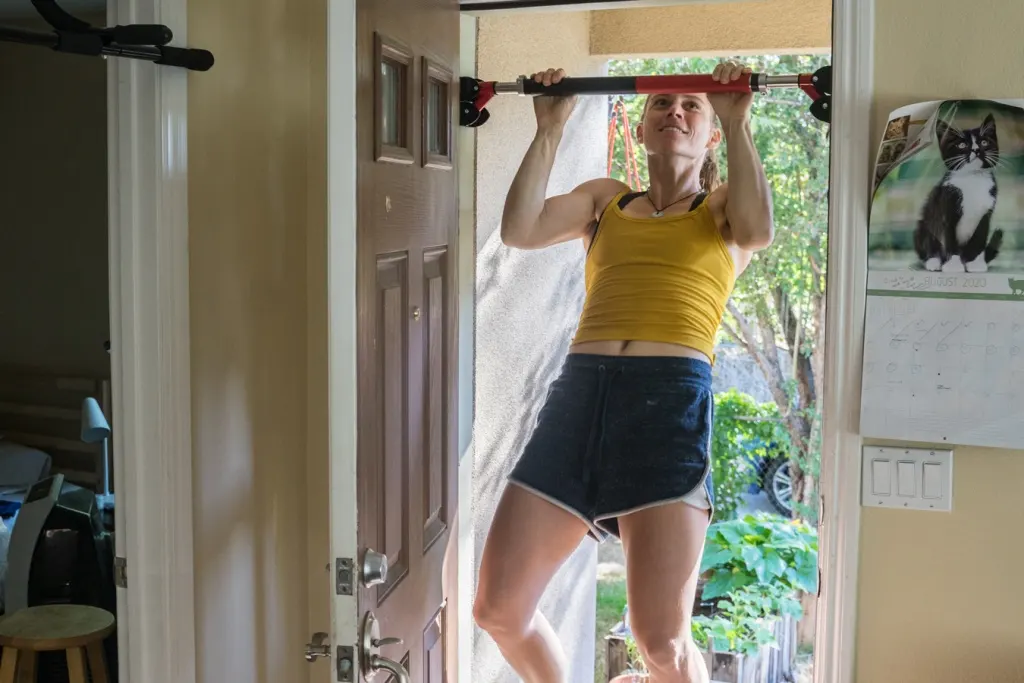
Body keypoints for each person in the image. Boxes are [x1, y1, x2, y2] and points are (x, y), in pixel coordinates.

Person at [472, 60, 775, 683]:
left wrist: (738, 120)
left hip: (668, 404)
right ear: (641, 129)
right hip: (580, 397)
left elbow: (758, 230)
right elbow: (520, 228)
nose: (676, 113)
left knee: (660, 640)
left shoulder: (720, 210)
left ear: (709, 133)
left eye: (691, 106)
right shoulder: (605, 201)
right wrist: (550, 128)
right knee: (499, 608)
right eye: (661, 103)